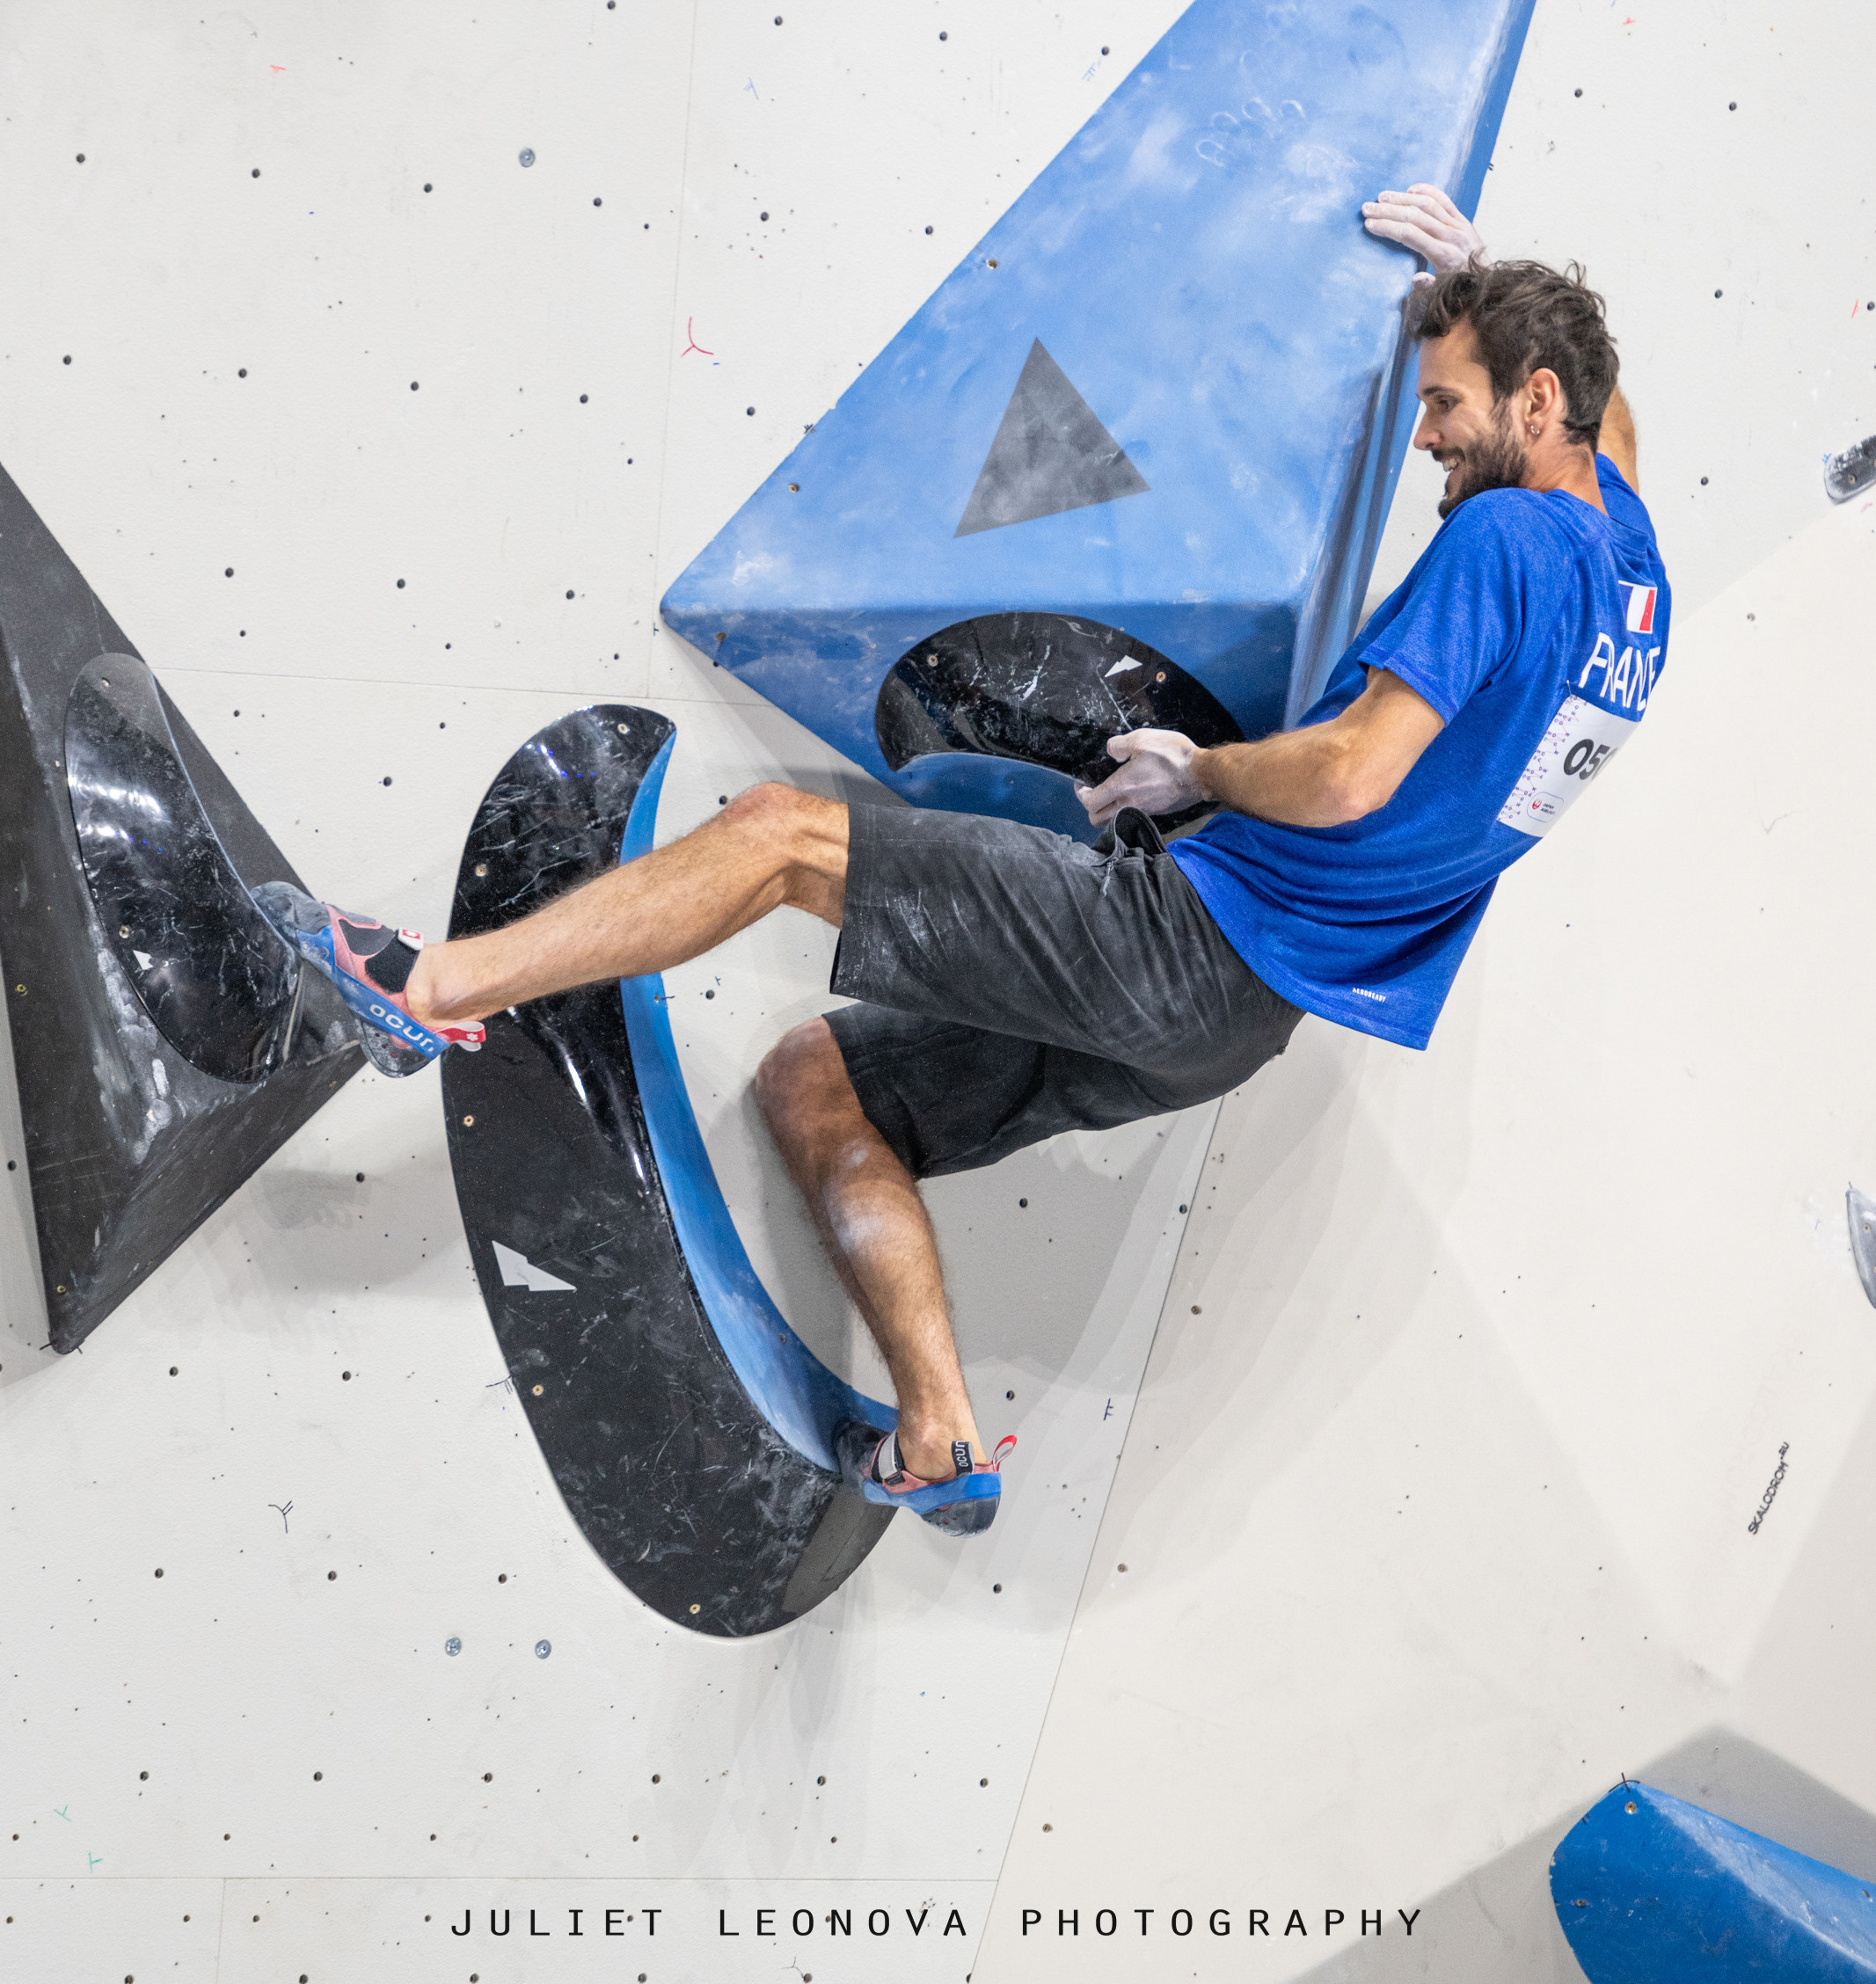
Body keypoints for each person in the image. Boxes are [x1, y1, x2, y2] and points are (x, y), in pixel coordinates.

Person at [273, 184, 1668, 1540]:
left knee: (776, 838)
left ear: (1533, 401)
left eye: (1443, 402)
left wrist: (1198, 770)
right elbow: (1614, 426)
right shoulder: (1632, 575)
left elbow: (1353, 768)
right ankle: (937, 1432)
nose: (1424, 436)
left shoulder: (1505, 535)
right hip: (1242, 1025)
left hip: (1192, 939)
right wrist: (1484, 279)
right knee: (814, 1080)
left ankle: (416, 989)